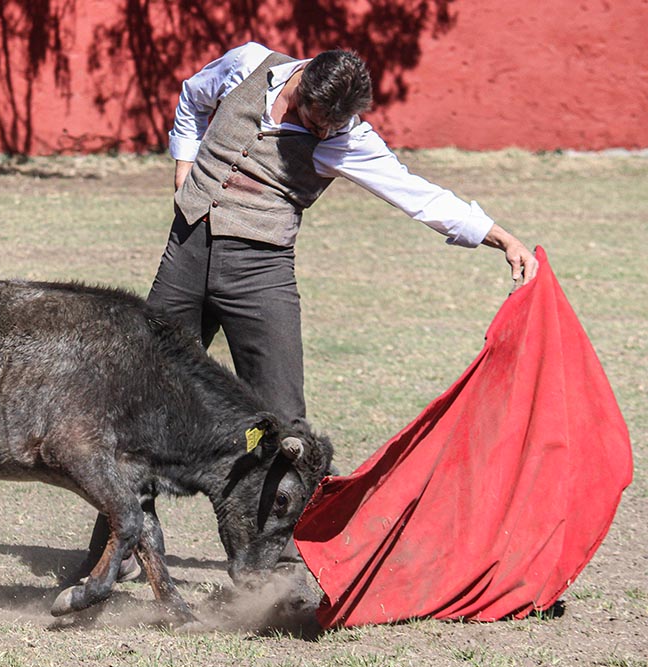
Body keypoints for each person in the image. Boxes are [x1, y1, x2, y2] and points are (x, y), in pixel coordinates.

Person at [76, 41, 538, 585]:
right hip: (186, 254)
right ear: (299, 84)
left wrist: (502, 238)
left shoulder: (348, 137)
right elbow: (191, 99)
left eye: (333, 127)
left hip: (260, 271)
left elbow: (420, 196)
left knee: (282, 418)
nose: (323, 134)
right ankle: (119, 547)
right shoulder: (248, 64)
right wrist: (184, 163)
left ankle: (284, 562)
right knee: (140, 399)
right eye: (315, 121)